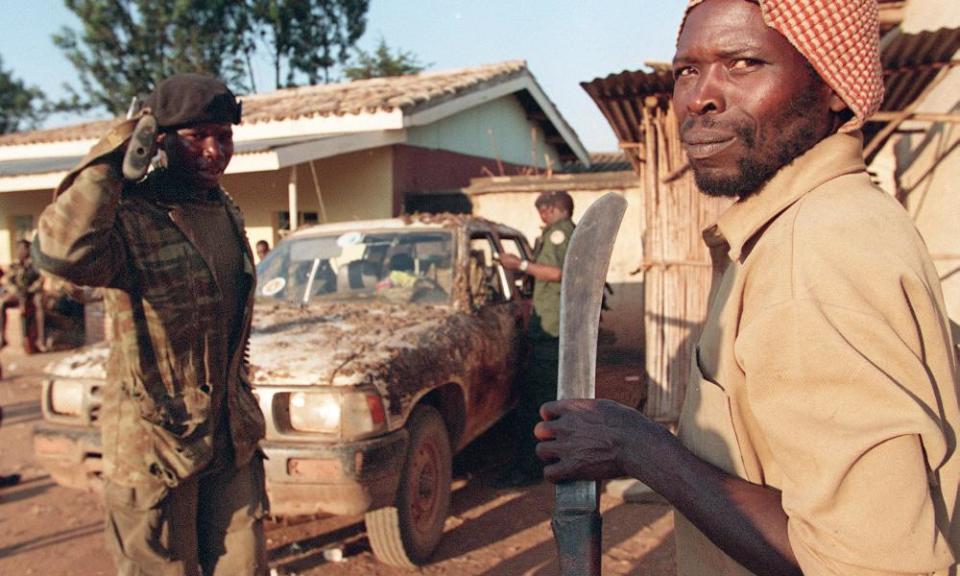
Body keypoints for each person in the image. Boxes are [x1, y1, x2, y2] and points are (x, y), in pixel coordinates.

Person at [533, 1, 959, 575]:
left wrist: (639, 448)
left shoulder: (815, 249)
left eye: (743, 63)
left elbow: (869, 562)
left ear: (833, 87)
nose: (699, 97)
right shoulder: (825, 221)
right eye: (687, 70)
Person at [32, 73, 268, 575]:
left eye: (223, 136)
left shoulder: (225, 210)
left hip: (228, 437)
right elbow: (60, 252)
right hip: (155, 448)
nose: (213, 150)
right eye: (196, 136)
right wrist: (119, 154)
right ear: (159, 140)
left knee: (243, 566)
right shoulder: (131, 217)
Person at [497, 190, 575, 487]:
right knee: (546, 398)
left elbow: (557, 272)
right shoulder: (560, 233)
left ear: (552, 209)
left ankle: (528, 469)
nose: (540, 216)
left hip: (551, 329)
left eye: (542, 210)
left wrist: (521, 265)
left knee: (536, 402)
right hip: (551, 326)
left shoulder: (559, 234)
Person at [0, 239, 43, 353]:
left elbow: (40, 280)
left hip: (30, 295)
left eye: (24, 248)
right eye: (19, 248)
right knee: (3, 304)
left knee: (27, 308)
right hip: (18, 294)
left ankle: (29, 341)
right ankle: (2, 336)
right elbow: (7, 280)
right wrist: (15, 290)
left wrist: (29, 290)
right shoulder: (15, 265)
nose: (21, 251)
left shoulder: (35, 265)